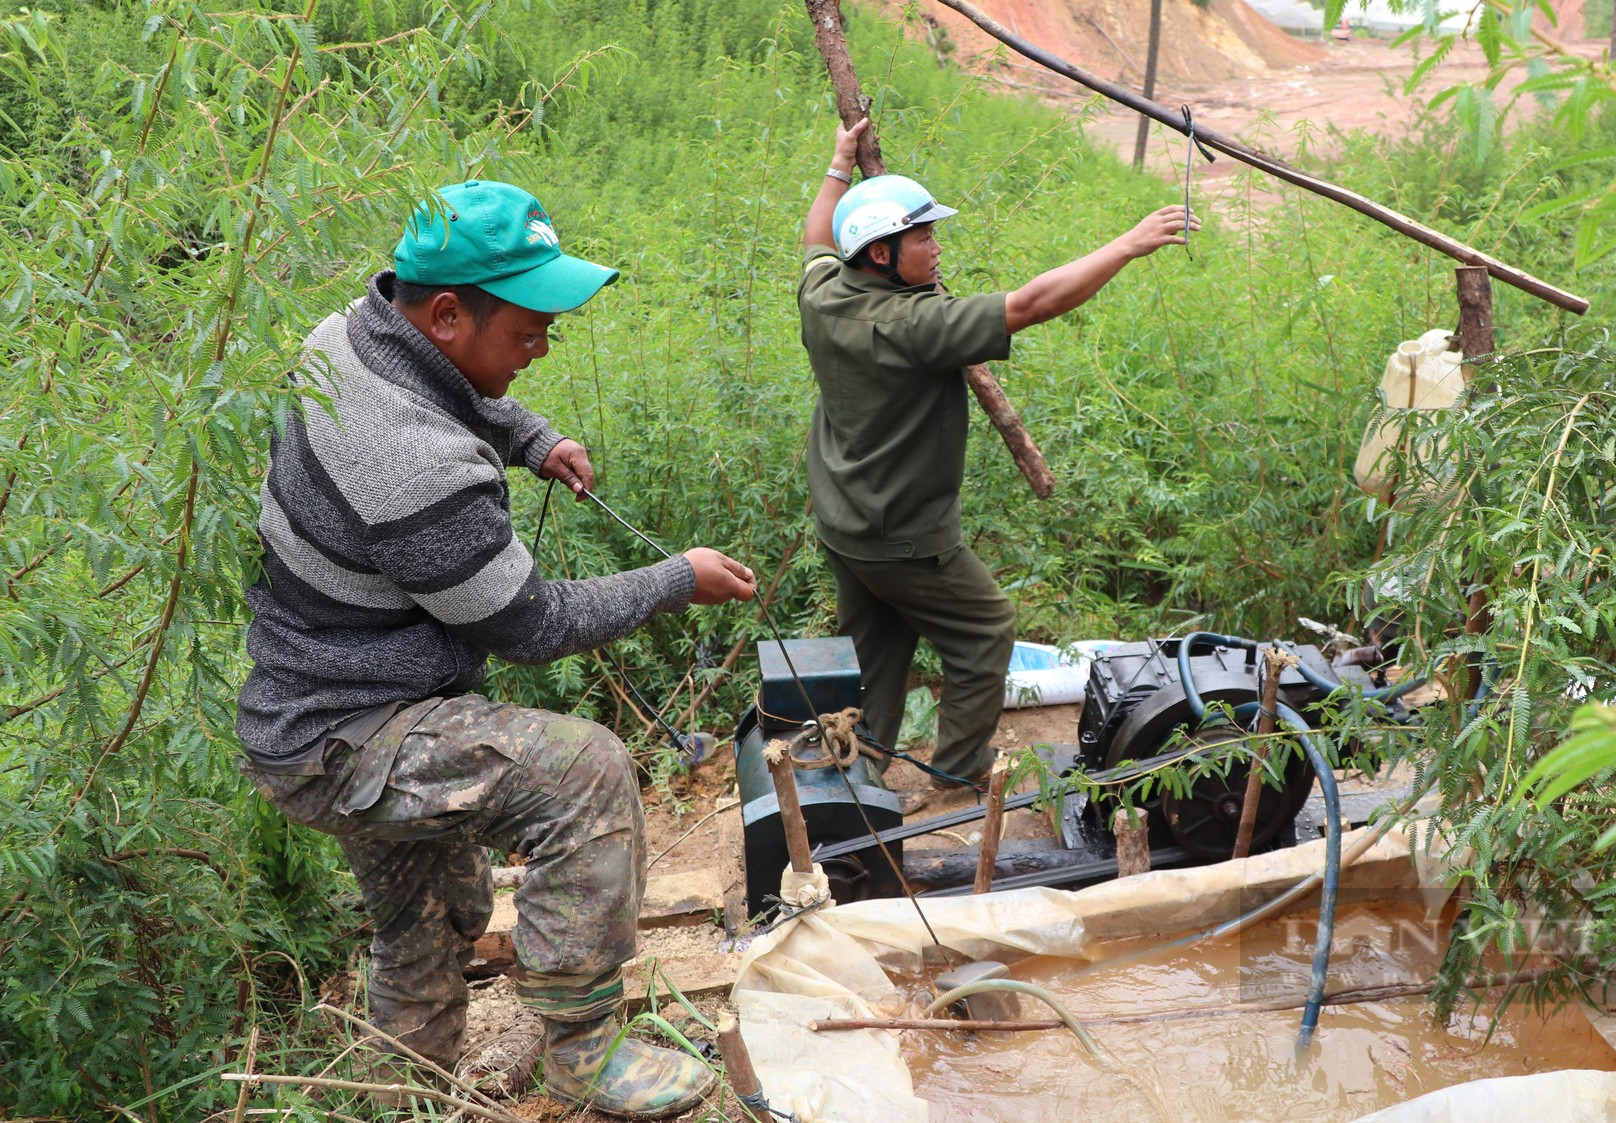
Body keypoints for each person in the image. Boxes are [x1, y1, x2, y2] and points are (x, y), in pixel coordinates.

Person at [236, 180, 758, 1117]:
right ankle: (586, 1051)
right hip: (353, 732)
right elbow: (532, 627)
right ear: (446, 312)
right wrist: (678, 578)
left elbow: (448, 387)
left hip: (306, 702)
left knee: (431, 922)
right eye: (528, 329)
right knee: (585, 771)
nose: (543, 346)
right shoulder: (417, 464)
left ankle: (403, 1093)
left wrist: (530, 435)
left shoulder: (348, 337)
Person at [797, 118, 1198, 787]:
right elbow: (1035, 302)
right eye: (921, 237)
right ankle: (956, 770)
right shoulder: (914, 323)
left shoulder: (822, 295)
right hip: (904, 535)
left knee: (878, 655)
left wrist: (840, 165)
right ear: (879, 255)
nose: (936, 247)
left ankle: (856, 772)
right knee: (985, 629)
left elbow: (815, 238)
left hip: (844, 523)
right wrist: (1127, 245)